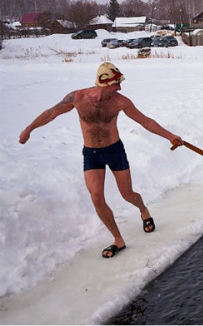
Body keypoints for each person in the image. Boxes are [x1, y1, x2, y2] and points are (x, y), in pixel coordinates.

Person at [19, 62, 183, 259]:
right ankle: (118, 239)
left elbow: (145, 120)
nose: (120, 88)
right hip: (91, 153)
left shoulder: (121, 102)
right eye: (116, 84)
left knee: (127, 194)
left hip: (114, 151)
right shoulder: (77, 97)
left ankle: (144, 210)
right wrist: (29, 129)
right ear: (104, 83)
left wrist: (170, 136)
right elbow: (51, 113)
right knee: (96, 197)